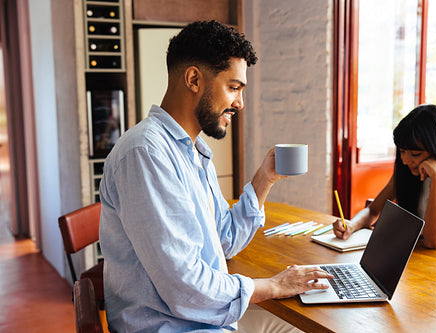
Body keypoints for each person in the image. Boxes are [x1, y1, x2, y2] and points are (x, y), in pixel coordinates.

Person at [99, 20, 333, 332]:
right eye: (234, 87)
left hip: (199, 317)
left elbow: (223, 241)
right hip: (175, 325)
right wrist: (272, 286)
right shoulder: (146, 154)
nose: (240, 103)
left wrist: (264, 179)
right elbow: (184, 285)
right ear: (193, 79)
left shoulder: (193, 151)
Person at [333, 104, 436, 249]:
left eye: (415, 154)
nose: (405, 160)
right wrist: (351, 225)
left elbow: (433, 241)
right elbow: (373, 211)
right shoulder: (408, 171)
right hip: (410, 250)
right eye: (402, 151)